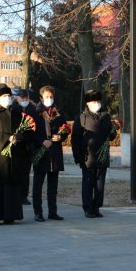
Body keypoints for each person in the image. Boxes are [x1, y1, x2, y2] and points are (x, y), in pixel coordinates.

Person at [0, 84, 30, 225]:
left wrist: (19, 137)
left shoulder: (17, 113)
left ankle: (11, 215)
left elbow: (25, 131)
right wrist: (6, 138)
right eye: (4, 96)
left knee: (13, 185)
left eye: (9, 96)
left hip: (15, 154)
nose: (7, 98)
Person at [71, 90, 117, 218]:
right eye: (93, 101)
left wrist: (113, 131)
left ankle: (96, 207)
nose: (96, 104)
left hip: (102, 157)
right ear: (87, 103)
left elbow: (110, 136)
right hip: (87, 157)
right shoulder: (81, 117)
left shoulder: (105, 116)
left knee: (100, 185)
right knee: (88, 184)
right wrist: (78, 156)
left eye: (98, 101)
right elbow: (75, 138)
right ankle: (88, 208)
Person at [32, 86, 68, 222]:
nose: (50, 99)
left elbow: (64, 129)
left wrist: (61, 137)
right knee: (38, 185)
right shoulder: (35, 112)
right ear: (41, 98)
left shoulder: (58, 112)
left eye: (51, 96)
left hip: (54, 152)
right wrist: (42, 141)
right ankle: (38, 212)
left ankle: (53, 211)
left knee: (53, 186)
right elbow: (30, 133)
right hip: (40, 153)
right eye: (47, 97)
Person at [13, 89, 36, 205]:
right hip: (16, 147)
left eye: (26, 98)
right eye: (22, 98)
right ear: (17, 98)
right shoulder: (12, 109)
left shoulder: (33, 110)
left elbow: (35, 127)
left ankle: (24, 195)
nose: (25, 100)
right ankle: (15, 195)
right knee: (15, 172)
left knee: (25, 173)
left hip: (28, 146)